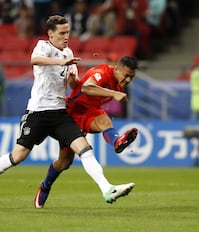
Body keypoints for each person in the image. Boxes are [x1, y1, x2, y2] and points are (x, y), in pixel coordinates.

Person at [0, 15, 135, 208]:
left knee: (84, 149)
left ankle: (106, 188)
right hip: (37, 112)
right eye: (61, 33)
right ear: (51, 34)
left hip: (60, 113)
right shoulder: (43, 46)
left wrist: (72, 79)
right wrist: (61, 63)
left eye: (67, 32)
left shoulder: (68, 52)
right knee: (18, 156)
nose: (66, 36)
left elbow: (72, 84)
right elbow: (33, 59)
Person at [35, 55, 139, 208]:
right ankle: (45, 186)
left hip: (90, 112)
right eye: (127, 75)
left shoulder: (119, 83)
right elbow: (86, 88)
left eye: (132, 77)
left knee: (105, 120)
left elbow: (80, 86)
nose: (129, 80)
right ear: (117, 69)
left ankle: (117, 142)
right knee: (64, 162)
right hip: (72, 113)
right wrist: (113, 94)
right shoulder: (103, 72)